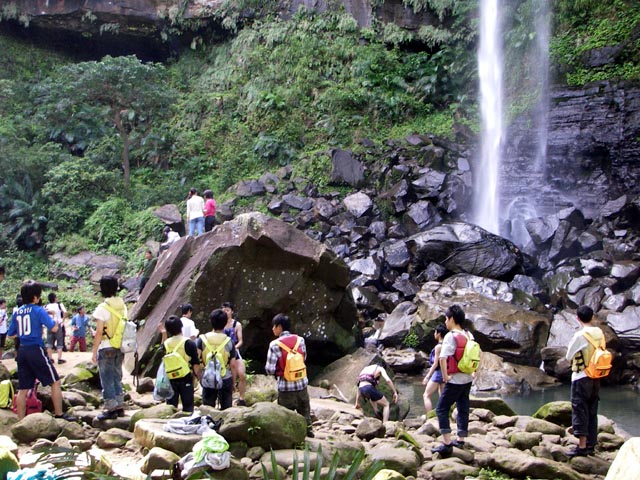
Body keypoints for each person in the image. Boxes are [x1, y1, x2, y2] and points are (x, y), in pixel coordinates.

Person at [7, 280, 75, 420]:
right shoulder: (38, 310)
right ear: (36, 297)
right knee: (55, 381)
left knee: (23, 389)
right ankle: (59, 414)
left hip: (22, 350)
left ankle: (21, 421)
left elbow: (10, 335)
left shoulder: (17, 312)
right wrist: (55, 317)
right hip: (36, 349)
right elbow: (54, 328)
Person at [431, 304, 475, 457]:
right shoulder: (469, 335)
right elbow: (478, 354)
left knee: (441, 409)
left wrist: (444, 377)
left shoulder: (451, 336)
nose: (445, 321)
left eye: (446, 318)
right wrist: (475, 372)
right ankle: (461, 439)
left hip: (455, 380)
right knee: (463, 407)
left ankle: (447, 443)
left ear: (451, 319)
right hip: (467, 378)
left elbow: (443, 358)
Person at [565, 305, 605, 457]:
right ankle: (590, 444)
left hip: (581, 377)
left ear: (577, 318)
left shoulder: (580, 335)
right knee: (592, 410)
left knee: (580, 409)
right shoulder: (599, 332)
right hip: (596, 376)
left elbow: (569, 355)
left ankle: (581, 447)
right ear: (592, 317)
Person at [265, 313, 313, 437]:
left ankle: (289, 439)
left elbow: (270, 369)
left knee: (285, 417)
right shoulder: (300, 340)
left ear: (279, 327)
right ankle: (309, 432)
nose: (272, 329)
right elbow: (304, 358)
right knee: (305, 413)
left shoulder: (274, 344)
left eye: (274, 326)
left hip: (285, 387)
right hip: (302, 383)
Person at [91, 276, 127, 420]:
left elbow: (99, 332)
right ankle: (119, 406)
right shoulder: (122, 306)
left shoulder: (103, 308)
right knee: (117, 377)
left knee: (106, 379)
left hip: (106, 346)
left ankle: (111, 408)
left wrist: (94, 351)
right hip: (120, 346)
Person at [196, 309, 237, 410]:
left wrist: (199, 377)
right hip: (225, 377)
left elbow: (196, 361)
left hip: (208, 376)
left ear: (211, 321)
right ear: (225, 322)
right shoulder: (229, 341)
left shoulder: (202, 339)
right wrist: (233, 382)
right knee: (226, 410)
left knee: (207, 409)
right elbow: (232, 365)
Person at [160, 315, 200, 413]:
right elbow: (195, 363)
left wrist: (163, 334)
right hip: (186, 377)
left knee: (171, 407)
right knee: (188, 407)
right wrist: (198, 377)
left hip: (170, 378)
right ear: (181, 326)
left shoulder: (166, 343)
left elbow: (162, 352)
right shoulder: (188, 343)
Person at [222, 302, 247, 406]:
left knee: (242, 374)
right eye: (224, 310)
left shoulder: (237, 324)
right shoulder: (219, 323)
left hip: (234, 351)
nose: (226, 312)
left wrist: (234, 348)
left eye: (227, 310)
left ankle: (241, 398)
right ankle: (229, 398)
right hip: (223, 353)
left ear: (232, 311)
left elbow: (240, 340)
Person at [422, 324, 449, 413]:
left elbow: (435, 363)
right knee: (442, 395)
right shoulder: (446, 344)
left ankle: (429, 416)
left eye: (435, 332)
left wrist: (427, 376)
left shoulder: (438, 347)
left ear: (439, 333)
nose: (434, 334)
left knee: (426, 395)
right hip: (445, 371)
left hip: (438, 373)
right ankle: (443, 413)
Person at [45, 292, 67, 364]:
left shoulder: (46, 306)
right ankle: (59, 358)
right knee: (59, 341)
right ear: (55, 298)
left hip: (49, 325)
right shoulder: (59, 305)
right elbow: (65, 312)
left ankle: (50, 358)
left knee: (49, 342)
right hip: (58, 324)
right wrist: (62, 320)